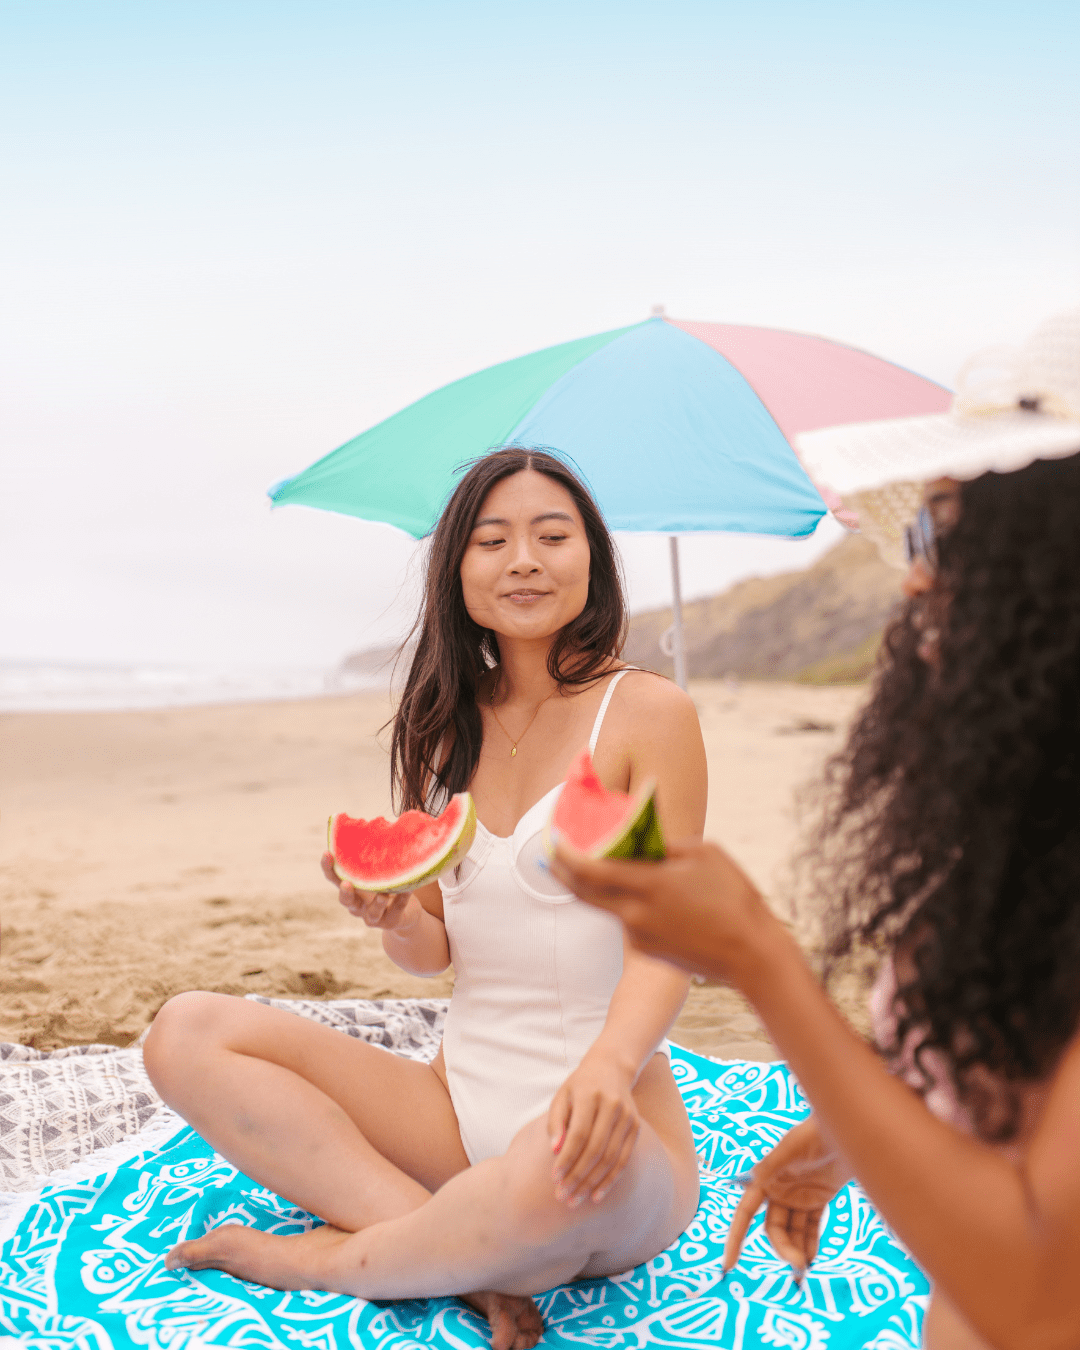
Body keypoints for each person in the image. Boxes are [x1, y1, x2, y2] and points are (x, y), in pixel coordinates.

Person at [551, 311, 1080, 1350]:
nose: (912, 577)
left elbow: (1038, 1300)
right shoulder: (1034, 811)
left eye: (938, 534)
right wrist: (858, 1130)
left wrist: (761, 960)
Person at [143, 446, 706, 1350]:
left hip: (608, 1128)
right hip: (456, 1111)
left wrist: (606, 1071)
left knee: (546, 1181)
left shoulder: (645, 715)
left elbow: (670, 934)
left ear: (591, 558)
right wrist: (398, 914)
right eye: (492, 540)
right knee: (185, 1033)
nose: (523, 558)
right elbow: (435, 950)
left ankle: (319, 1259)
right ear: (458, 571)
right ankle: (448, 1250)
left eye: (551, 535)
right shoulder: (449, 724)